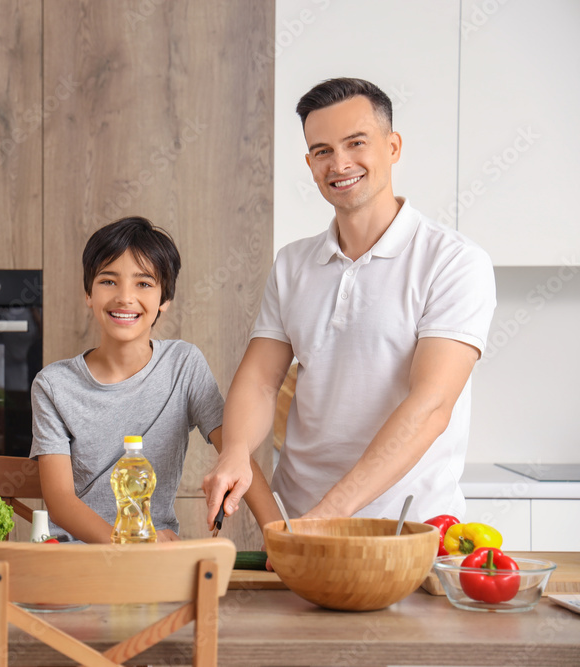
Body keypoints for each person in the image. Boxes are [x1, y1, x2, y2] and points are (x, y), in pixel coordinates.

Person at [203, 78, 497, 526]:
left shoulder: (454, 261)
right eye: (322, 151)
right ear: (309, 162)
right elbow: (262, 380)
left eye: (356, 143)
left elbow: (432, 405)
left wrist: (331, 513)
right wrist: (237, 450)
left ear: (393, 146)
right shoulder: (293, 264)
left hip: (409, 528)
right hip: (298, 521)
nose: (339, 163)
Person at [31, 216, 276, 543]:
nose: (124, 297)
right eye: (108, 281)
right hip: (80, 558)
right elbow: (61, 502)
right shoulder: (52, 385)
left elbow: (236, 453)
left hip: (155, 558)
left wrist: (279, 535)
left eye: (143, 283)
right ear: (88, 293)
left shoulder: (184, 365)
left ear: (164, 300)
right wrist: (131, 544)